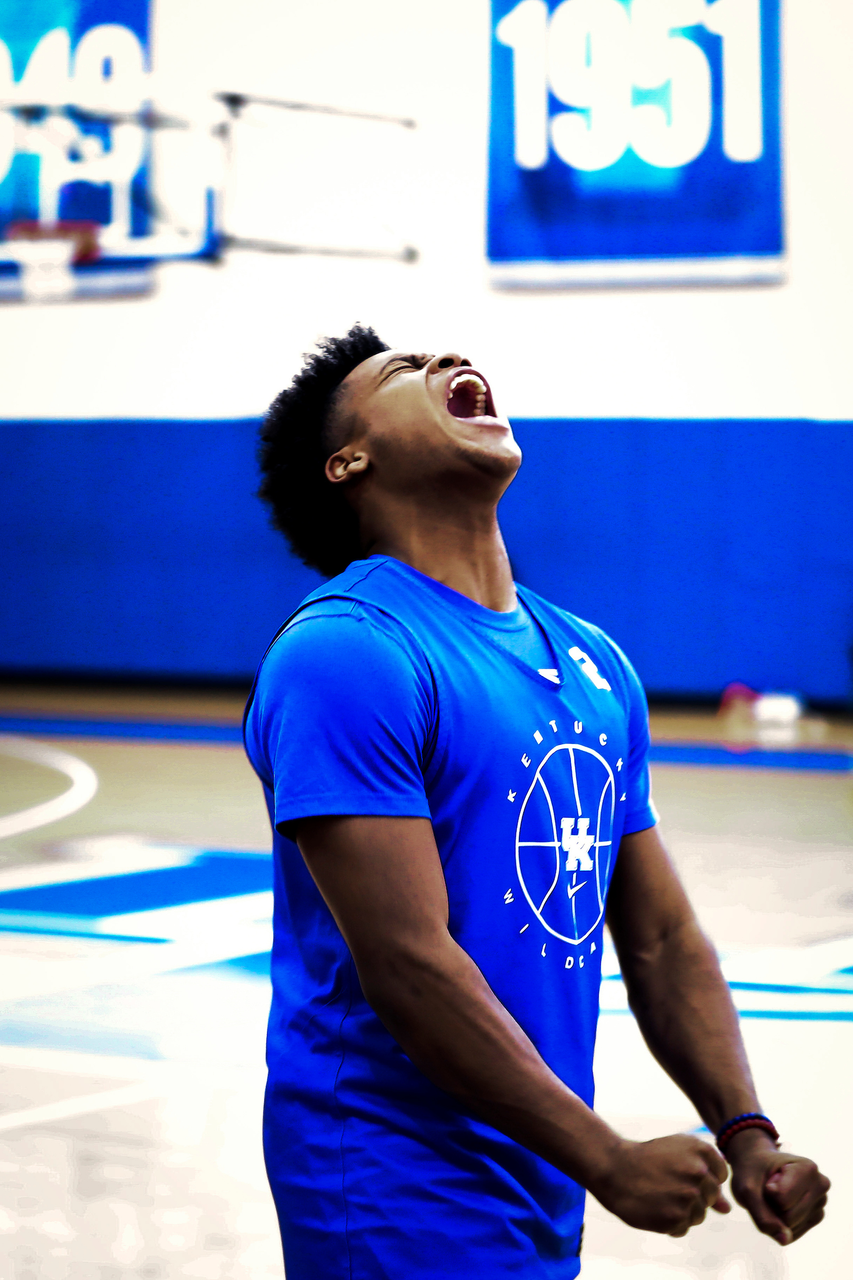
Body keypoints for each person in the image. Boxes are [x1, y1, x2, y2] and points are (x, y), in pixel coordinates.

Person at [243, 324, 829, 1280]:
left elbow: (660, 939)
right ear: (348, 461)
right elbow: (407, 964)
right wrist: (606, 1159)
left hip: (537, 1176)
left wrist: (745, 1132)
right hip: (392, 1182)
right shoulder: (348, 651)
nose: (443, 360)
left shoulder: (593, 660)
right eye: (403, 370)